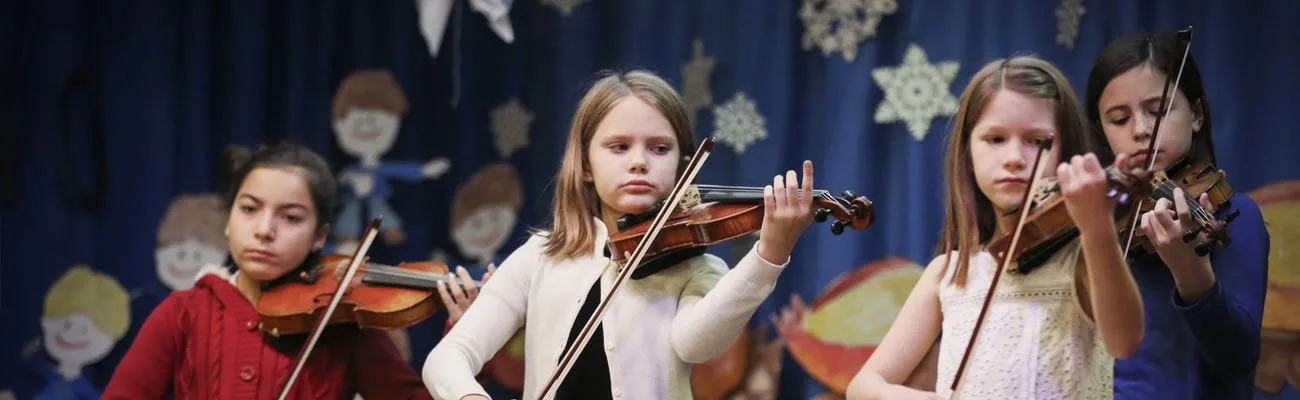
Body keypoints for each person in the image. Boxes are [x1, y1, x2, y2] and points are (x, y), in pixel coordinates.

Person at [421, 69, 816, 400]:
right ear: (586, 164)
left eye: (660, 149)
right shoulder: (542, 256)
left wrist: (769, 255)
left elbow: (697, 343)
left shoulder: (697, 266)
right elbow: (448, 357)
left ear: (684, 166)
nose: (640, 162)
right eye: (619, 146)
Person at [845, 56, 1146, 400]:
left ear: (1065, 153)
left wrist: (1096, 229)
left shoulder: (1084, 257)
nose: (1015, 157)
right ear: (967, 154)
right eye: (995, 138)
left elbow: (1124, 341)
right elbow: (863, 387)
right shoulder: (947, 273)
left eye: (1037, 141)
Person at [102, 142, 434, 399]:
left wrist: (464, 342)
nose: (264, 230)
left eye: (290, 218)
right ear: (228, 220)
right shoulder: (182, 314)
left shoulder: (341, 323)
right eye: (249, 209)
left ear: (319, 236)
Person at [1084, 31, 1270, 400]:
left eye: (1158, 111)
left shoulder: (1234, 215)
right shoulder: (1099, 222)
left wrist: (1191, 272)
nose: (1140, 131)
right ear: (1102, 134)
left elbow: (1237, 358)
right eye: (1119, 119)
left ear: (1197, 115)